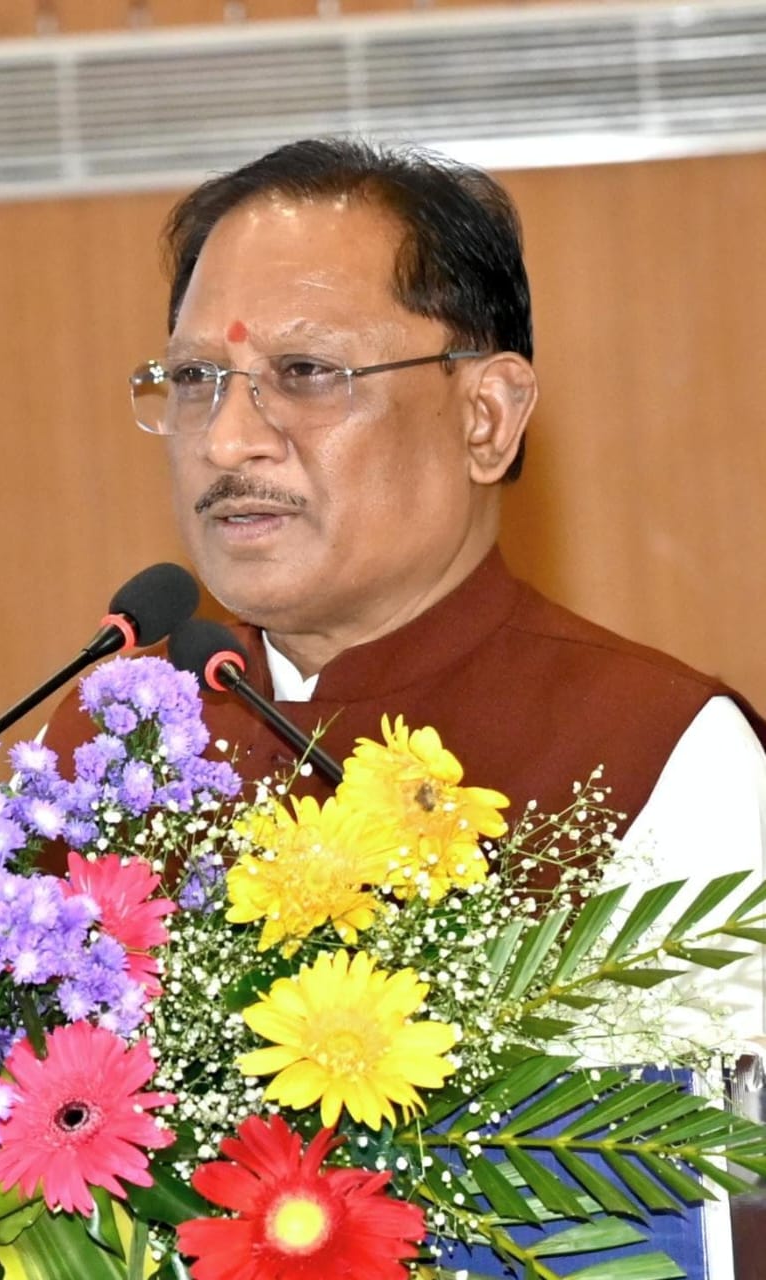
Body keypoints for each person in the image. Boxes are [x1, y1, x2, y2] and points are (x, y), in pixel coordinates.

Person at [45, 134, 766, 1024]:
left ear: (484, 418)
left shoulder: (649, 749)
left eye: (305, 372)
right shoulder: (114, 735)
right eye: (196, 378)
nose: (225, 440)